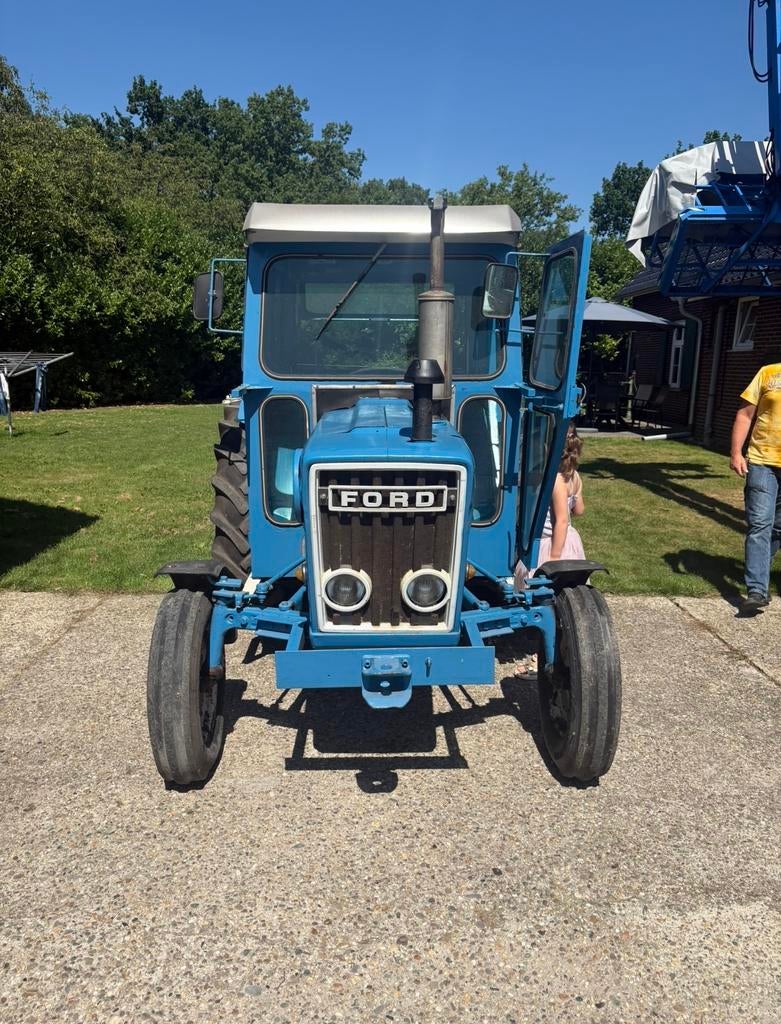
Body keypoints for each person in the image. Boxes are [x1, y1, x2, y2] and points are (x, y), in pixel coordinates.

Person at [513, 426, 586, 672]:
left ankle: (540, 657)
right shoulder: (574, 477)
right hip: (570, 542)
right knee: (559, 600)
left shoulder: (555, 479)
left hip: (553, 544)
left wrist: (553, 558)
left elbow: (563, 519)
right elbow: (579, 510)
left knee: (545, 600)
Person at [730, 362, 781, 614]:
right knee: (760, 522)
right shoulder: (768, 373)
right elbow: (745, 414)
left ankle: (759, 574)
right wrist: (736, 453)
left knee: (778, 527)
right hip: (762, 461)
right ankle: (757, 590)